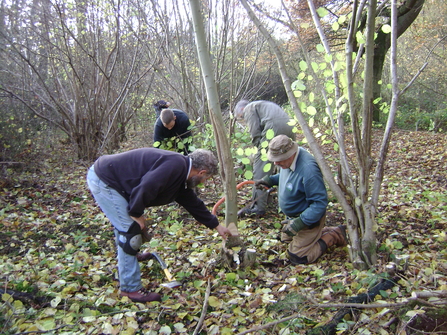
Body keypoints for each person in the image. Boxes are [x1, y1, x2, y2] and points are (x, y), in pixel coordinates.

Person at [86, 148, 232, 303]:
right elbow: (146, 186)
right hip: (106, 181)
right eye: (206, 179)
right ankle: (130, 289)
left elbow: (192, 203)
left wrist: (216, 225)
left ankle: (130, 257)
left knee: (127, 229)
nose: (204, 183)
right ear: (202, 172)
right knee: (130, 233)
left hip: (115, 180)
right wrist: (136, 213)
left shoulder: (181, 173)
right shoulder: (174, 166)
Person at [255, 135, 347, 265]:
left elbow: (319, 203)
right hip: (293, 217)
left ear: (290, 154)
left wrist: (300, 222)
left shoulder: (309, 169)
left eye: (279, 159)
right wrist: (271, 180)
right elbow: (287, 176)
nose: (276, 163)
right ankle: (321, 233)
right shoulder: (289, 161)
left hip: (308, 220)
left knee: (298, 257)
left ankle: (334, 235)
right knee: (286, 241)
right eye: (274, 159)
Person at [234, 100, 294, 217]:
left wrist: (259, 153)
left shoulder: (249, 108)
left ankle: (258, 207)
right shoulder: (263, 105)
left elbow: (255, 133)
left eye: (242, 118)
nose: (244, 120)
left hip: (274, 128)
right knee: (285, 164)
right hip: (289, 126)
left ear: (241, 110)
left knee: (261, 167)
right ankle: (285, 200)